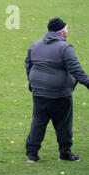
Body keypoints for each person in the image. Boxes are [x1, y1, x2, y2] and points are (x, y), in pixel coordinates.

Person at [25, 18, 89, 163]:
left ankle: (32, 154)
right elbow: (76, 69)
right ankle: (65, 153)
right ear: (61, 31)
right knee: (63, 124)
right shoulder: (65, 48)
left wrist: (33, 82)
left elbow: (28, 65)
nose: (67, 31)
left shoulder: (35, 46)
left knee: (38, 122)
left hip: (39, 92)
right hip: (60, 94)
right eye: (66, 29)